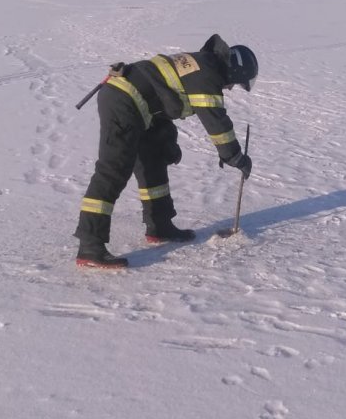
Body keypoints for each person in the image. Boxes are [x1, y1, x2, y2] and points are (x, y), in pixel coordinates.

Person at [74, 33, 258, 268]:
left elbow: (162, 94)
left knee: (154, 158)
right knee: (113, 170)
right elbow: (216, 122)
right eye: (237, 83)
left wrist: (167, 141)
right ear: (235, 72)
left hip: (141, 107)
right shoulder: (208, 73)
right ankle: (90, 246)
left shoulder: (204, 63)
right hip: (123, 100)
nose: (232, 88)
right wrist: (234, 155)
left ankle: (159, 226)